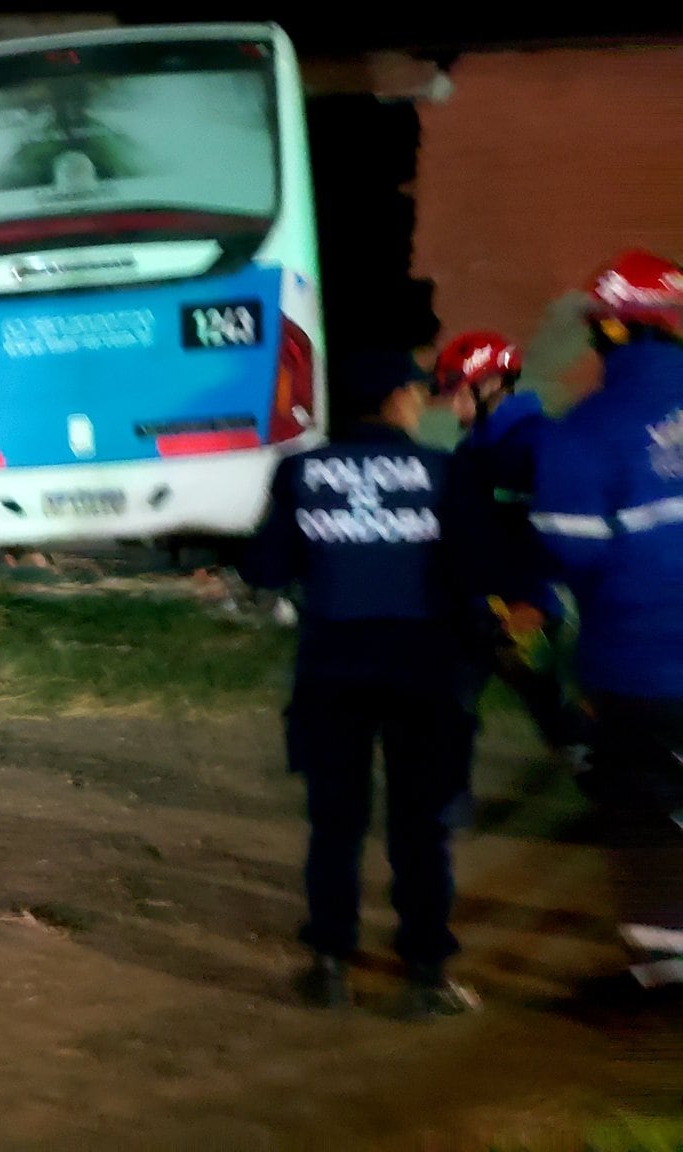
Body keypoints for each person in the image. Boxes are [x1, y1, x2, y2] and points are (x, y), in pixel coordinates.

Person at [240, 347, 488, 1020]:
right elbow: (473, 573)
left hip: (332, 668)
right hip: (423, 670)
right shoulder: (443, 470)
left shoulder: (299, 472)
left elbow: (265, 568)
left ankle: (329, 967)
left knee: (335, 823)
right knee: (420, 824)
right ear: (398, 400)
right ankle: (426, 974)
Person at [529, 248, 683, 1002]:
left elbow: (567, 549)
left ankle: (667, 967)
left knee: (642, 804)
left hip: (638, 663)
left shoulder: (583, 431)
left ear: (610, 334)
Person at [428, 330, 597, 760]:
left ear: (490, 385)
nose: (453, 404)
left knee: (552, 711)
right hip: (481, 610)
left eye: (458, 392)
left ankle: (615, 780)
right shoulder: (472, 452)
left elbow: (565, 531)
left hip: (526, 613)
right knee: (450, 704)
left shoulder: (538, 444)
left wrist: (539, 602)